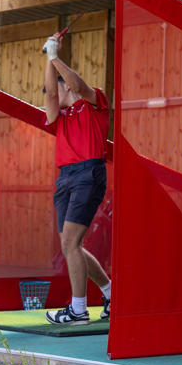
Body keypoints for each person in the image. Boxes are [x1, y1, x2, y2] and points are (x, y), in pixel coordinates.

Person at [41, 33, 112, 325]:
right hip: (66, 178)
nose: (50, 94)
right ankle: (111, 293)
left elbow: (76, 85)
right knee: (73, 245)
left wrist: (55, 57)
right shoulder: (61, 116)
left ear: (62, 85)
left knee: (70, 243)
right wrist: (48, 58)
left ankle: (79, 310)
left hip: (88, 172)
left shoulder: (93, 101)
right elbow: (49, 101)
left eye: (53, 88)